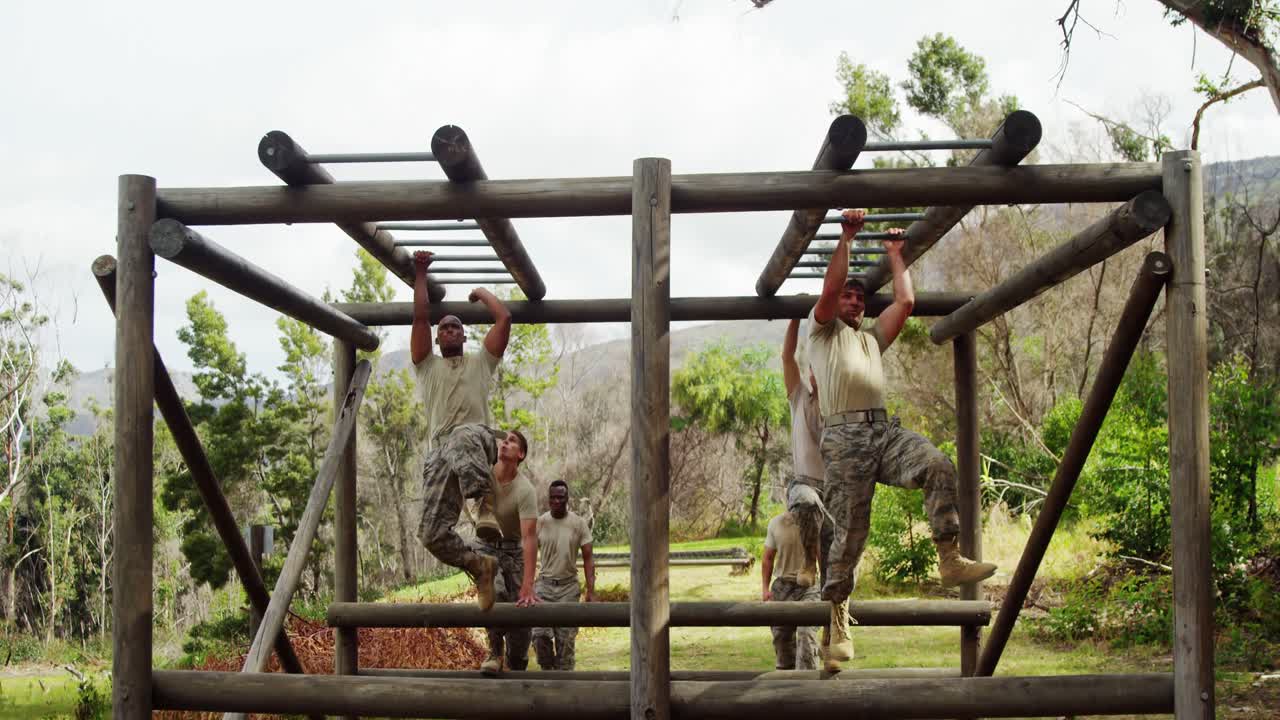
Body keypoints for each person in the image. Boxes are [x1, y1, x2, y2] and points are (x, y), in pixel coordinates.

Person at [808, 209, 997, 670]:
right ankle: (836, 619)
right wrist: (847, 238)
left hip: (883, 432)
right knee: (851, 532)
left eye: (860, 297)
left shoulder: (872, 339)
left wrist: (896, 253)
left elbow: (906, 302)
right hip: (844, 437)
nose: (854, 301)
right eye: (849, 295)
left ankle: (948, 556)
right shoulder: (823, 331)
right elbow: (829, 290)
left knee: (937, 464)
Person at [408, 251, 538, 675]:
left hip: (477, 441)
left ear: (463, 336)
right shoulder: (427, 367)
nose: (448, 330)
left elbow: (504, 320)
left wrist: (481, 293)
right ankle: (478, 565)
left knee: (463, 434)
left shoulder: (482, 363)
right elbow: (419, 318)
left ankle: (484, 506)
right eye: (443, 327)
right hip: (440, 456)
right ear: (437, 338)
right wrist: (420, 273)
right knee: (430, 533)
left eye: (455, 327)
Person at [780, 318, 832, 589]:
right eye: (814, 368)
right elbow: (787, 356)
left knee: (836, 573)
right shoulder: (799, 395)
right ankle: (809, 560)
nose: (817, 373)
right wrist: (795, 317)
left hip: (834, 490)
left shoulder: (841, 405)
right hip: (805, 483)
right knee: (807, 501)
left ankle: (834, 613)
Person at [532, 480, 595, 671]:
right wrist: (527, 586)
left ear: (567, 498)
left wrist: (591, 591)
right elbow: (529, 555)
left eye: (560, 497)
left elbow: (588, 558)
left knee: (565, 642)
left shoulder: (578, 524)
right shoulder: (541, 522)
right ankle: (548, 674)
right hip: (544, 586)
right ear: (548, 499)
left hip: (568, 588)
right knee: (539, 636)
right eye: (553, 497)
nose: (557, 501)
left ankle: (564, 680)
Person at [762, 510, 821, 670]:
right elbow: (767, 558)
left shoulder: (815, 522)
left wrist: (826, 587)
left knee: (806, 631)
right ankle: (786, 677)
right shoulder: (776, 523)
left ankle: (807, 679)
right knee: (781, 636)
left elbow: (821, 556)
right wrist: (765, 589)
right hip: (782, 587)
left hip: (809, 586)